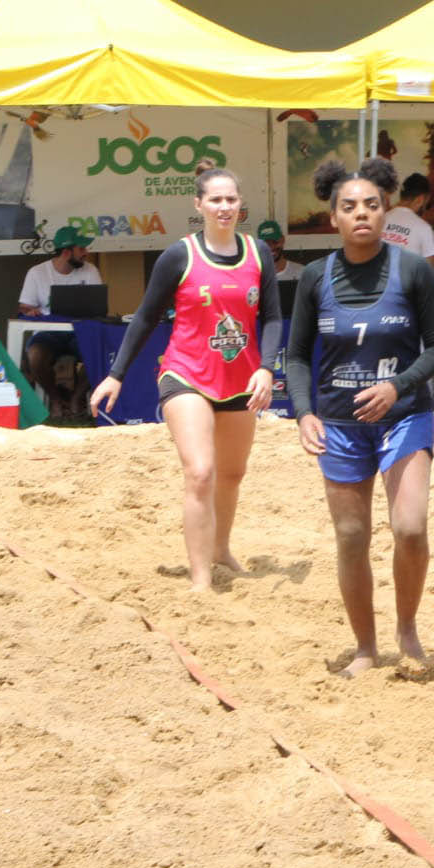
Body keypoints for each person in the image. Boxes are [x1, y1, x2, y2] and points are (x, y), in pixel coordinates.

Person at [287, 158, 434, 677]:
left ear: (387, 212)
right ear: (332, 217)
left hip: (404, 417)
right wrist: (304, 413)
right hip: (339, 424)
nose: (362, 214)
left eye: (372, 205)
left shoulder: (413, 270)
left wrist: (397, 385)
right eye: (349, 207)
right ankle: (364, 647)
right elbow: (294, 356)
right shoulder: (315, 277)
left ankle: (407, 628)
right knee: (352, 537)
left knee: (410, 528)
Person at [89, 168, 280, 593]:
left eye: (231, 199)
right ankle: (200, 579)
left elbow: (272, 315)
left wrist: (266, 366)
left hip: (240, 377)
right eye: (215, 200)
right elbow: (145, 317)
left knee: (231, 473)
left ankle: (221, 549)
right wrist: (115, 375)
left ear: (240, 203)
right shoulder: (180, 255)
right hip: (187, 373)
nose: (225, 207)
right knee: (201, 471)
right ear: (199, 205)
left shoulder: (258, 251)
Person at [18, 224, 103, 419]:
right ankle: (55, 399)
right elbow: (24, 305)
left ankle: (76, 398)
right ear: (66, 252)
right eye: (81, 249)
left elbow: (99, 306)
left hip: (81, 332)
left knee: (99, 353)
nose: (86, 253)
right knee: (35, 356)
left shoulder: (91, 271)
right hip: (49, 334)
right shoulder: (37, 272)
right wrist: (30, 310)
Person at [383, 172, 434, 279]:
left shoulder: (380, 219)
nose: (425, 207)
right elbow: (432, 271)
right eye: (426, 203)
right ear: (421, 199)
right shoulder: (423, 228)